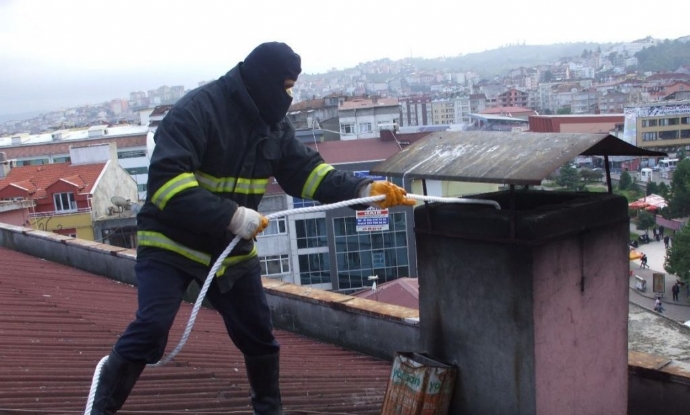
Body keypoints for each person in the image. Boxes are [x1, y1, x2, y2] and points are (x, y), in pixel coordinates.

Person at [88, 42, 415, 415]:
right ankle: (100, 407)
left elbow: (305, 173)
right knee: (151, 330)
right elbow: (166, 184)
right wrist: (230, 216)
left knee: (259, 338)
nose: (289, 97)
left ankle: (268, 410)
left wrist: (362, 190)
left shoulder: (272, 123)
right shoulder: (198, 112)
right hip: (171, 245)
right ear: (263, 81)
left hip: (230, 251)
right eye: (287, 86)